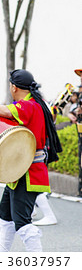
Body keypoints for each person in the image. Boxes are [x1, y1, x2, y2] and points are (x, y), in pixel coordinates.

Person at [0, 69, 61, 252]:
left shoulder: (29, 106)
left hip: (28, 172)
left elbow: (7, 111)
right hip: (17, 171)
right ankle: (1, 256)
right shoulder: (33, 104)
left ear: (14, 87)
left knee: (22, 223)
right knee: (5, 216)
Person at [69, 68, 82, 198]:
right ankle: (80, 191)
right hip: (79, 130)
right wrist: (71, 114)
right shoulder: (80, 92)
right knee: (80, 160)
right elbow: (73, 108)